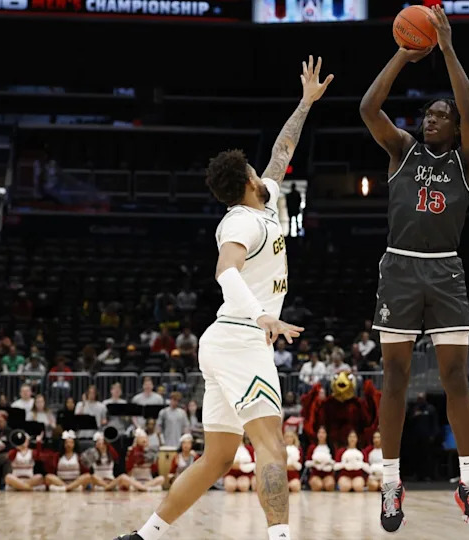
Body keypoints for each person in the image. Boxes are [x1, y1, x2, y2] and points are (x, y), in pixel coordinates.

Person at [114, 56, 331, 540]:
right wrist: (261, 317)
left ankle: (144, 536)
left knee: (217, 457)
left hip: (226, 341)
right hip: (240, 338)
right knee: (271, 445)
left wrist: (304, 103)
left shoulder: (266, 200)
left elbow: (282, 151)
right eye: (257, 171)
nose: (265, 172)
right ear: (248, 184)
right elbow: (224, 271)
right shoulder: (239, 220)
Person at [360, 5, 469, 531]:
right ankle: (390, 483)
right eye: (427, 114)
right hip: (400, 268)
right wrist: (405, 54)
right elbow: (370, 107)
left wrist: (449, 48)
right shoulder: (403, 152)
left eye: (440, 115)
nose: (429, 118)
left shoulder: (468, 160)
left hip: (445, 270)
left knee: (456, 377)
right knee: (394, 377)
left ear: (455, 127)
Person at [117, 428, 166, 493]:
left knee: (161, 478)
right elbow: (129, 470)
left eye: (145, 438)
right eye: (142, 438)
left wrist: (154, 460)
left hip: (148, 481)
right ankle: (144, 488)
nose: (144, 440)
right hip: (135, 480)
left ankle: (142, 488)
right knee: (124, 478)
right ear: (137, 440)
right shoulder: (132, 451)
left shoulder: (152, 452)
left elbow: (154, 470)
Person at [305, 425, 335, 492]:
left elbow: (334, 462)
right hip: (315, 473)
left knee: (329, 486)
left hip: (328, 473)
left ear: (327, 434)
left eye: (323, 432)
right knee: (317, 486)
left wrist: (328, 462)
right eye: (319, 432)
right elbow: (307, 463)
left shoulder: (331, 447)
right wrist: (314, 463)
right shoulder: (312, 447)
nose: (321, 435)